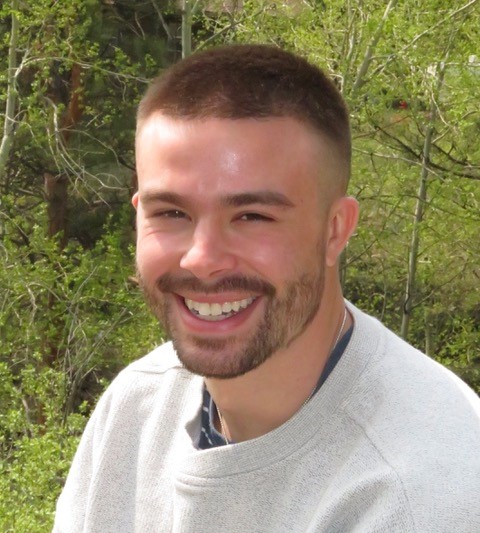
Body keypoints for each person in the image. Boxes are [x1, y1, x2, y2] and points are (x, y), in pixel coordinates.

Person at [53, 44, 480, 533]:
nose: (202, 258)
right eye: (171, 213)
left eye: (252, 216)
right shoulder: (133, 411)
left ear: (335, 230)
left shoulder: (425, 495)